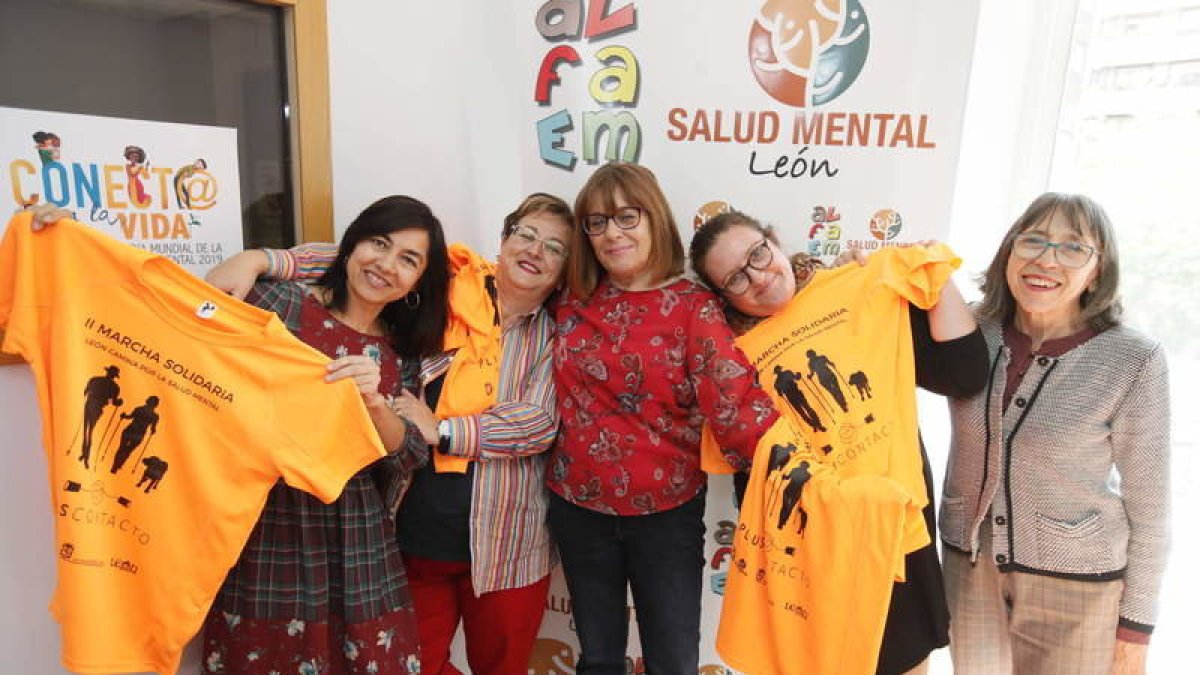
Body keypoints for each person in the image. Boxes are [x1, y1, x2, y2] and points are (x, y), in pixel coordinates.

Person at [206, 193, 574, 674]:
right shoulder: (445, 292)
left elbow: (538, 423)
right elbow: (358, 260)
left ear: (566, 270)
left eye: (554, 247)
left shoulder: (556, 333)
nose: (535, 250)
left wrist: (440, 428)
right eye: (526, 234)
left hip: (505, 541)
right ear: (502, 242)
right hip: (408, 538)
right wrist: (265, 257)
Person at [689, 211, 987, 675]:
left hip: (896, 533)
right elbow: (750, 477)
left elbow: (964, 373)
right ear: (722, 296)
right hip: (819, 553)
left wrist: (932, 271)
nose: (758, 276)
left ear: (773, 239)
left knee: (907, 663)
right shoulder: (733, 360)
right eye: (736, 278)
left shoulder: (859, 286)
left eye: (758, 254)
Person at [199, 195, 451, 674]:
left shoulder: (401, 355)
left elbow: (407, 455)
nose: (386, 264)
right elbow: (187, 326)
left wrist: (375, 403)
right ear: (352, 243)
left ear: (418, 282)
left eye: (408, 260)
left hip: (357, 538)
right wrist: (71, 243)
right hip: (268, 523)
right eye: (379, 243)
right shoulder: (277, 304)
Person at [548, 163, 779, 674]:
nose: (612, 233)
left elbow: (736, 404)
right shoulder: (570, 296)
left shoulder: (694, 307)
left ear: (654, 218)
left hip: (666, 518)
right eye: (597, 222)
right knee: (599, 659)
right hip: (577, 508)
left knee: (673, 661)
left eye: (627, 217)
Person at [938, 193, 1170, 675]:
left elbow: (1151, 508)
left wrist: (1135, 632)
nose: (1045, 259)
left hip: (1079, 588)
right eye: (1034, 241)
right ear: (1009, 251)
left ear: (1098, 269)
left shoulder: (1133, 359)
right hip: (970, 570)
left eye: (1072, 247)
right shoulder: (970, 330)